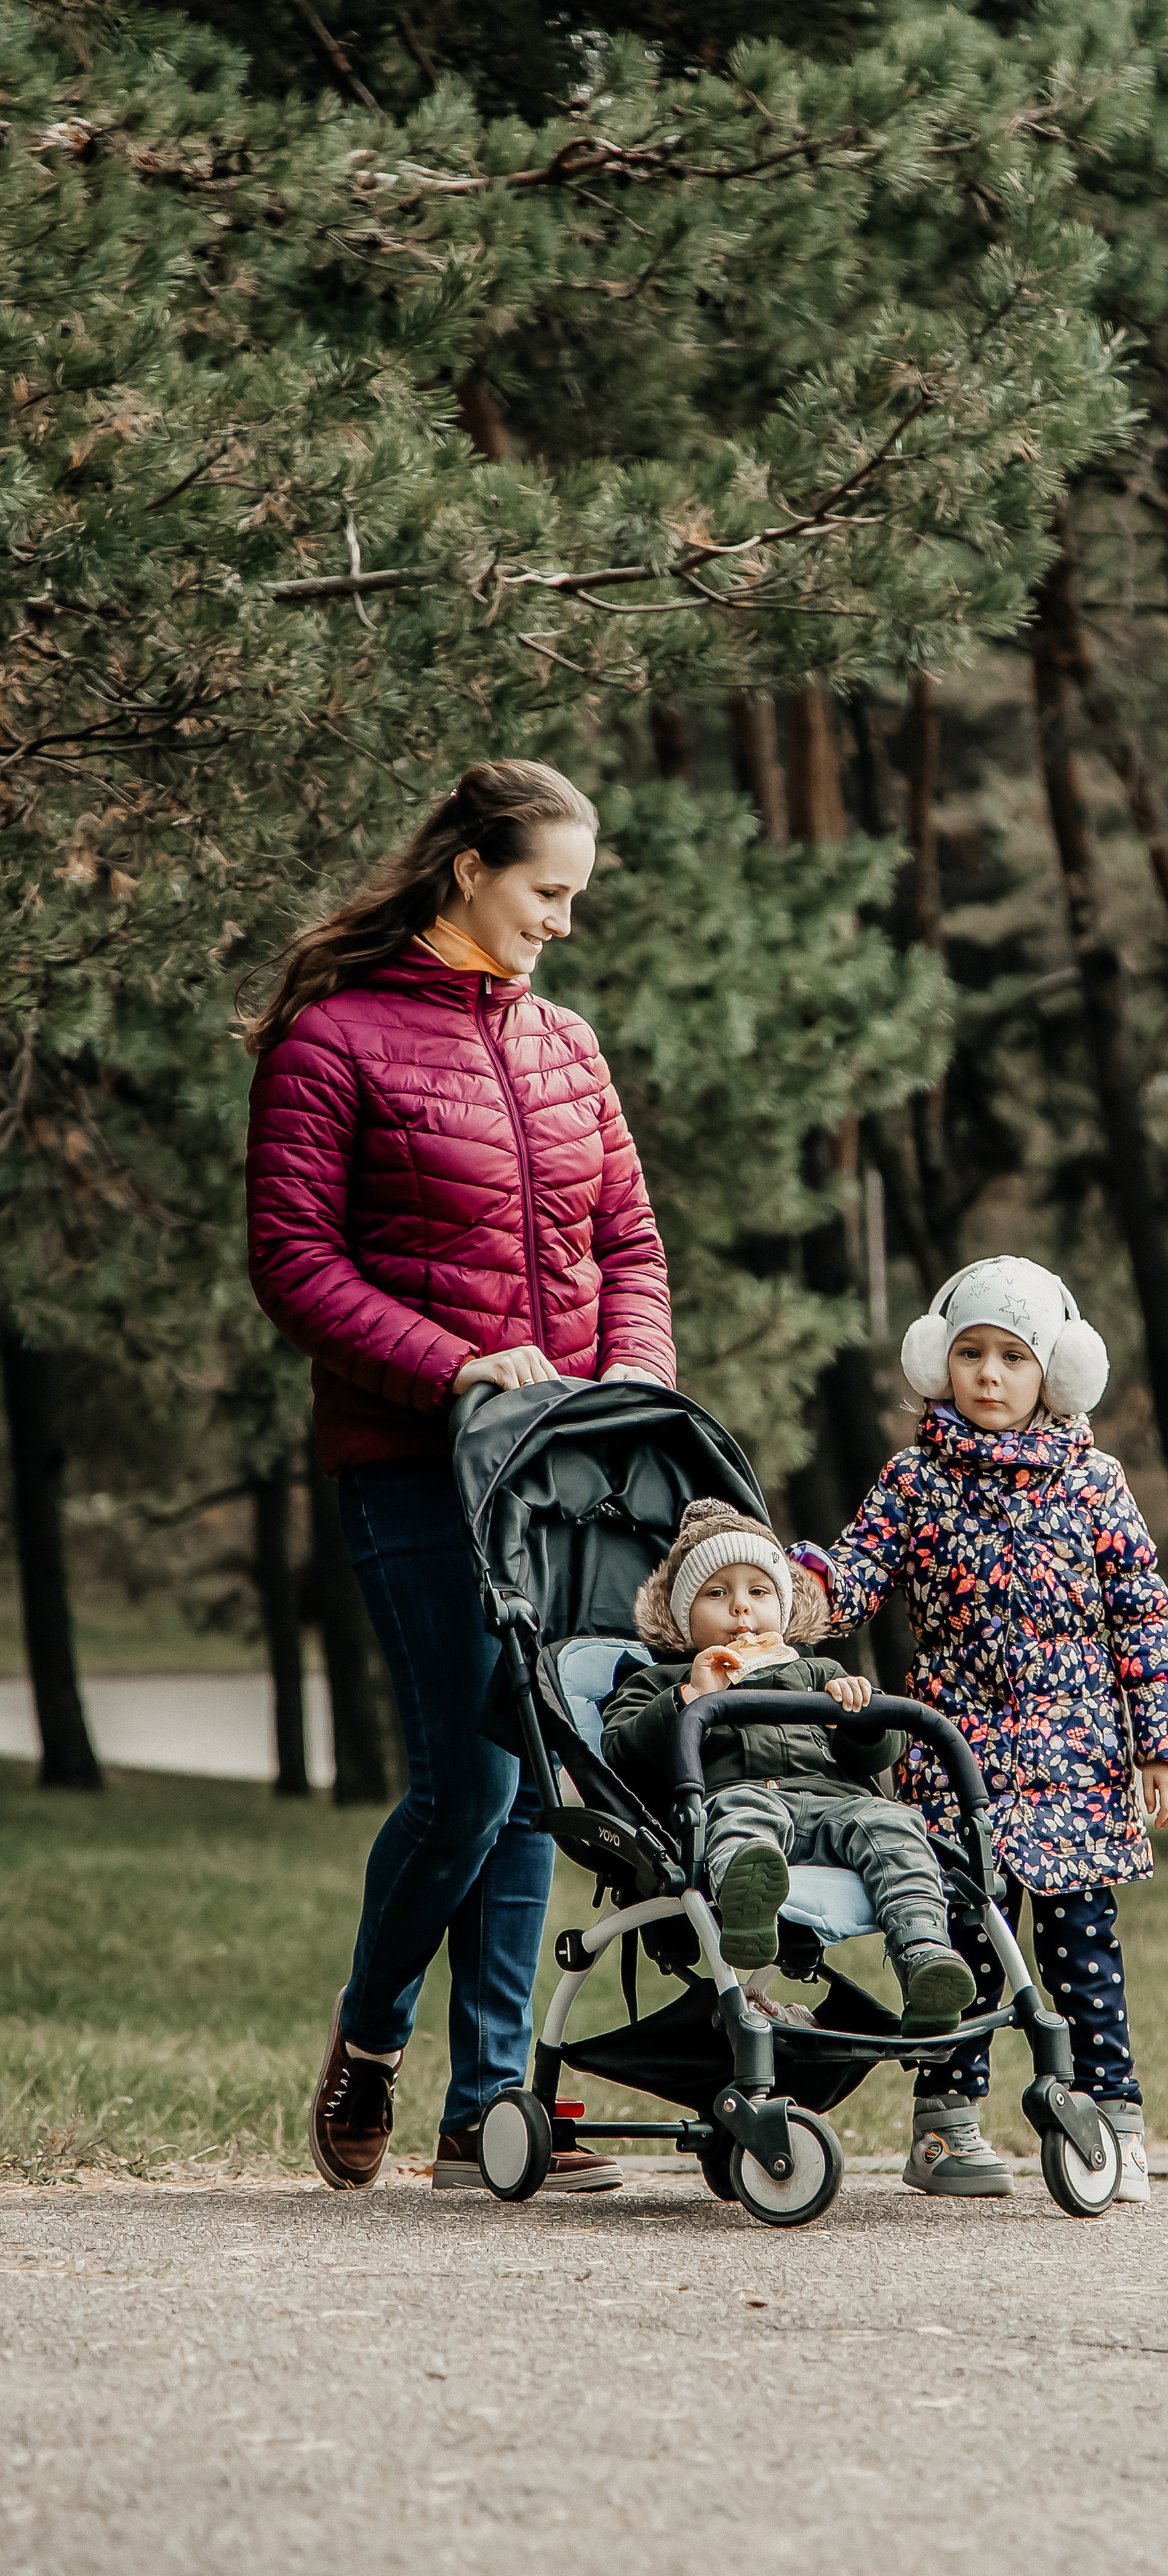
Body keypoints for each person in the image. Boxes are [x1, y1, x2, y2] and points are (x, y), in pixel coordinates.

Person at [245, 757, 676, 2195]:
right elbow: (296, 1263)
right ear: (467, 871)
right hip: (414, 1463)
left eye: (574, 897)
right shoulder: (333, 1041)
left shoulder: (566, 1047)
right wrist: (452, 1365)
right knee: (470, 1781)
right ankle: (371, 2039)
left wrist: (636, 1383)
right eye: (545, 892)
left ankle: (491, 2111)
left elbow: (628, 1245)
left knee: (538, 1769)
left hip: (561, 1479)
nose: (562, 921)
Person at [790, 1256, 1168, 2203]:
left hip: (1078, 1763)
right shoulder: (915, 1482)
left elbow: (1143, 1618)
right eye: (969, 1352)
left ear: (1052, 1374)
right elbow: (855, 1575)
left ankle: (1113, 2122)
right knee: (959, 1948)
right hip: (956, 1754)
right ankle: (944, 2127)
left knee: (1080, 1953)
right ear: (939, 1360)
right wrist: (798, 1589)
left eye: (1012, 1358)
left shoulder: (1094, 1484)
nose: (988, 1376)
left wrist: (1162, 1747)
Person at [602, 1501, 977, 2035]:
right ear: (683, 1618)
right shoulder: (660, 1681)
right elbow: (620, 1754)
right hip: (742, 1798)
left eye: (758, 1592)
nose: (741, 1611)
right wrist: (690, 1695)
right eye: (716, 1594)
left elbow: (878, 1755)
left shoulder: (817, 1672)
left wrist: (857, 1718)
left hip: (835, 1808)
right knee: (738, 1812)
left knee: (894, 1823)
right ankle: (745, 1906)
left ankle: (924, 1954)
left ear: (782, 1605)